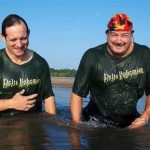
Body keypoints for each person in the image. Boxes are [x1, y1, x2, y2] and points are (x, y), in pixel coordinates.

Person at [70, 13, 150, 128]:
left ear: (131, 35)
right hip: (95, 119)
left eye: (124, 35)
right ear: (107, 34)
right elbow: (77, 94)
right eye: (114, 35)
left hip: (130, 119)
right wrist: (76, 126)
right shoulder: (92, 56)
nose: (119, 40)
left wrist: (145, 116)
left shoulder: (144, 54)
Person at [0, 14, 56, 116]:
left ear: (28, 33)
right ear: (3, 37)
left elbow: (48, 98)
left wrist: (53, 127)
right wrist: (11, 103)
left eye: (23, 38)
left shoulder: (40, 63)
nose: (19, 44)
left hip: (32, 124)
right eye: (13, 40)